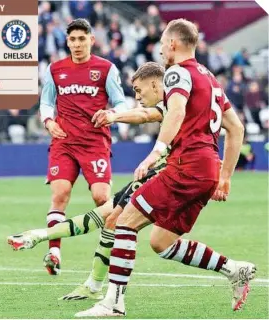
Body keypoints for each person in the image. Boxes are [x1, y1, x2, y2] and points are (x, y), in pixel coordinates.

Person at [75, 19, 255, 317]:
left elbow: (176, 111)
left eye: (161, 43)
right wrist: (224, 178)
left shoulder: (177, 73)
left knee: (124, 221)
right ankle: (234, 269)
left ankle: (113, 302)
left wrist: (154, 153)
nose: (160, 50)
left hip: (186, 165)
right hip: (206, 170)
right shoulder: (209, 80)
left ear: (173, 43)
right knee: (162, 242)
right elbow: (235, 128)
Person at [9, 62, 167, 300]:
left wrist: (114, 115)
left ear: (154, 83)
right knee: (112, 218)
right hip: (163, 174)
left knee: (144, 233)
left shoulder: (175, 103)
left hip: (173, 177)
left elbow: (145, 115)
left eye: (138, 90)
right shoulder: (178, 100)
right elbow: (145, 114)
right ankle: (93, 285)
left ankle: (110, 298)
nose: (137, 96)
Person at [39, 18, 127, 276]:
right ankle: (54, 252)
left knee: (102, 198)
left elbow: (122, 102)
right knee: (60, 194)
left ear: (91, 39)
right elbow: (46, 102)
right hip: (64, 141)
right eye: (72, 39)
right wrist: (48, 121)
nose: (77, 44)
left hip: (94, 143)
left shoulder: (105, 68)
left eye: (81, 39)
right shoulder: (55, 70)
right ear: (67, 41)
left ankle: (113, 252)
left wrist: (112, 113)